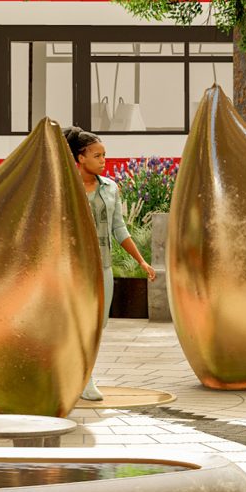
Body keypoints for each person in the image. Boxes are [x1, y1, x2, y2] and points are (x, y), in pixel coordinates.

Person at [69, 128, 155, 400]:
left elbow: (120, 229)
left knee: (98, 324)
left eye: (104, 155)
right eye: (97, 155)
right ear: (80, 158)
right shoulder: (67, 187)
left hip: (103, 267)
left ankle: (84, 376)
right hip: (74, 269)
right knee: (78, 323)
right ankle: (80, 377)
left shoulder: (110, 188)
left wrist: (142, 262)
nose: (103, 160)